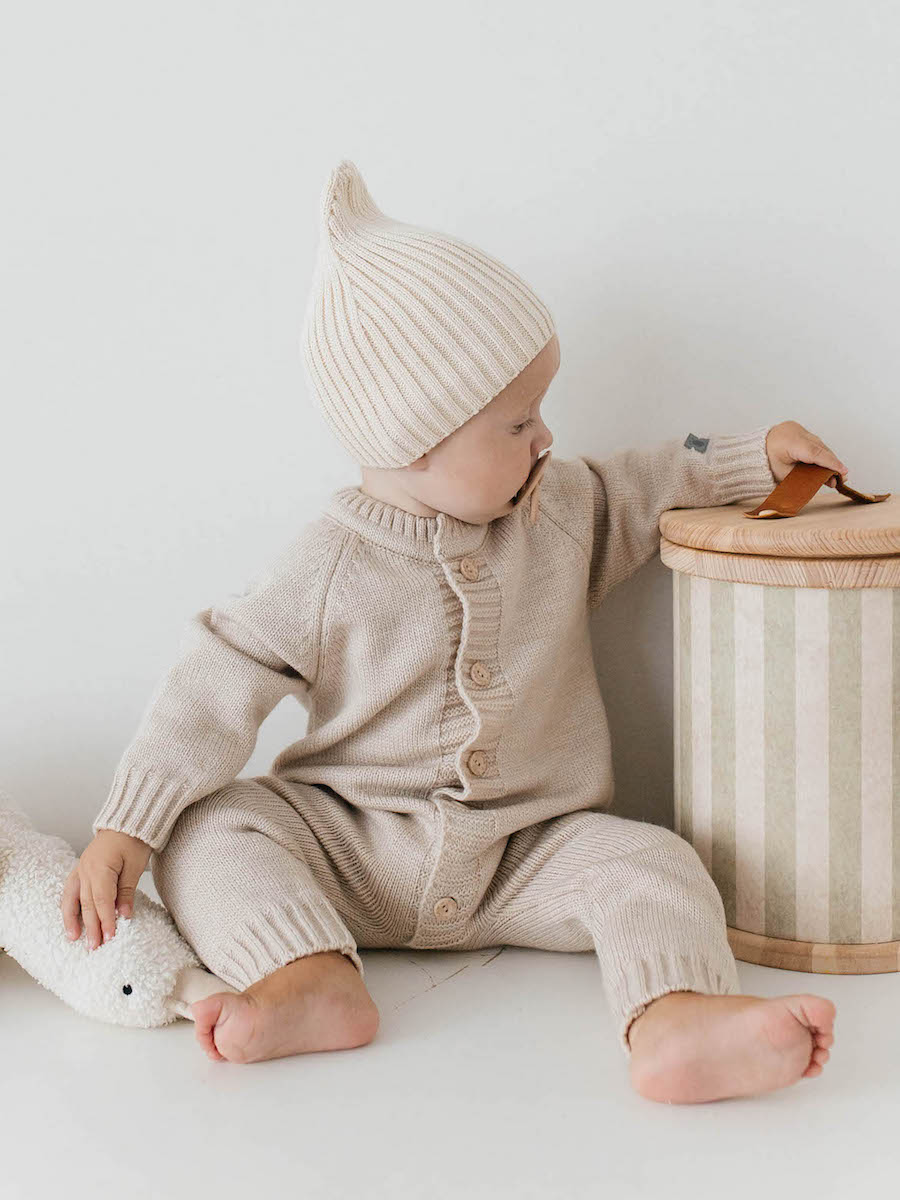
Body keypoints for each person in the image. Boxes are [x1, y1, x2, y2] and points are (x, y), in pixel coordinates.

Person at [60, 160, 840, 1103]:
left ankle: (677, 1019)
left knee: (654, 861)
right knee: (211, 829)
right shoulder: (328, 566)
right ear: (415, 440)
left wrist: (755, 460)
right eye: (518, 423)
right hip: (353, 847)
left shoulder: (560, 510)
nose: (546, 438)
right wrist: (129, 827)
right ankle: (307, 974)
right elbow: (216, 680)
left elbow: (647, 482)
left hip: (530, 852)